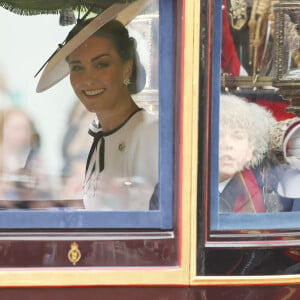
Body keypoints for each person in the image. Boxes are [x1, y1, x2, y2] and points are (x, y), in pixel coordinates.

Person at [35, 7, 158, 210]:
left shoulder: (147, 132)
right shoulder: (99, 137)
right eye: (77, 67)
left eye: (101, 65)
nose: (88, 79)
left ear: (126, 67)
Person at [219, 94, 300, 213]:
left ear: (251, 148)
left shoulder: (274, 181)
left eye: (237, 136)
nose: (228, 144)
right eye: (219, 135)